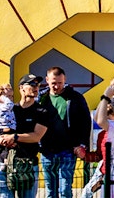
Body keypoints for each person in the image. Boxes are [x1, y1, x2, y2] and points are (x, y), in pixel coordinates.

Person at [0, 74, 50, 198]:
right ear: (21, 88)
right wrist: (1, 139)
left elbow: (37, 136)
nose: (36, 87)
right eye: (32, 84)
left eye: (37, 85)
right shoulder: (10, 109)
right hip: (4, 163)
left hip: (27, 163)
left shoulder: (41, 111)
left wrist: (15, 137)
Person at [38, 67, 92, 198]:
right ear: (47, 80)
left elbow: (86, 122)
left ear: (65, 80)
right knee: (51, 191)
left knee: (65, 190)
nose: (57, 86)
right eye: (53, 83)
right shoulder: (41, 99)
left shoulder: (75, 98)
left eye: (60, 83)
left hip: (68, 149)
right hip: (47, 149)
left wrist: (82, 144)